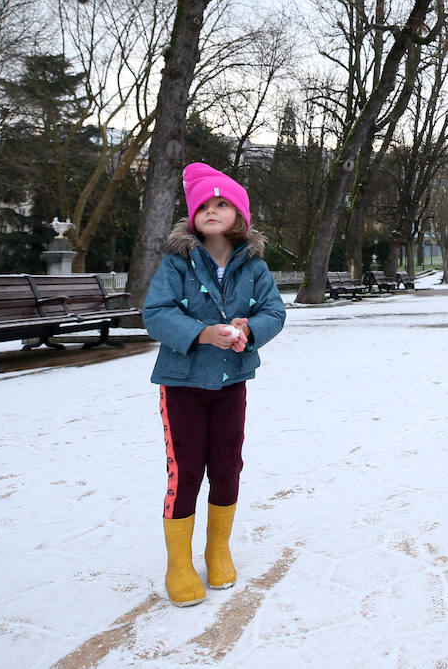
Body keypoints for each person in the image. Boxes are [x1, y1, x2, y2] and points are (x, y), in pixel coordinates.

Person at [143, 162, 287, 606]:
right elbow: (156, 313)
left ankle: (217, 547)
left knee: (227, 466)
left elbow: (274, 312)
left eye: (221, 203)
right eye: (202, 204)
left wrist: (250, 329)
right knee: (186, 471)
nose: (211, 210)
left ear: (239, 216)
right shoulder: (177, 262)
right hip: (182, 383)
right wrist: (202, 333)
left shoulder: (254, 267)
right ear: (191, 216)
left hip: (231, 382)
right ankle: (179, 562)